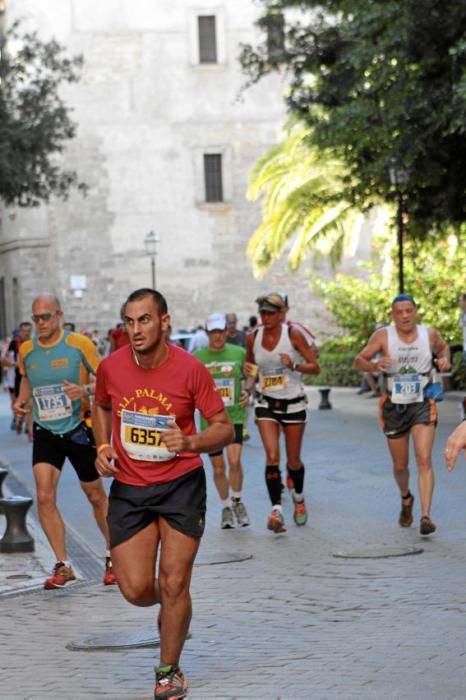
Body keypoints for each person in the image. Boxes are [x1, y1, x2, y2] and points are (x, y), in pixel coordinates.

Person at [92, 288, 233, 700]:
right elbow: (101, 406)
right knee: (136, 590)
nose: (136, 329)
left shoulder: (190, 369)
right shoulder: (112, 367)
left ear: (164, 321)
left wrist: (190, 442)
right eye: (129, 321)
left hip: (180, 486)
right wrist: (102, 447)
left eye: (145, 320)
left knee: (173, 581)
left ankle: (168, 671)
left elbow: (223, 427)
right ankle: (175, 605)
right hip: (131, 488)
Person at [13, 293, 116, 588]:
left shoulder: (79, 345)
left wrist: (84, 389)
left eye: (46, 317)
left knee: (95, 495)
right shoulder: (27, 350)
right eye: (36, 318)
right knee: (44, 496)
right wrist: (21, 403)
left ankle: (112, 557)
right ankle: (63, 565)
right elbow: (26, 380)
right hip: (46, 431)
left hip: (78, 429)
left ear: (59, 315)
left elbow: (107, 379)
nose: (41, 323)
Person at [354, 293, 451, 536]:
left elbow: (443, 348)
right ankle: (406, 498)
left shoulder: (428, 334)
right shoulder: (383, 336)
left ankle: (426, 516)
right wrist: (374, 365)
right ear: (393, 314)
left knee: (424, 459)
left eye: (409, 310)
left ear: (415, 311)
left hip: (422, 402)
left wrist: (445, 360)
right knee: (400, 465)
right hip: (394, 406)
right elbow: (359, 361)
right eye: (400, 312)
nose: (405, 316)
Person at [244, 292, 320, 533]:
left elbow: (315, 367)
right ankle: (276, 510)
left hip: (293, 402)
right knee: (272, 457)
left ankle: (298, 497)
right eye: (262, 313)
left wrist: (294, 365)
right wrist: (247, 387)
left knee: (293, 461)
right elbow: (251, 369)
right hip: (266, 401)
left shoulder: (293, 335)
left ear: (280, 315)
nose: (265, 318)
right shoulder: (253, 337)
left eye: (269, 313)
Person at [194, 312, 250, 529]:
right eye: (214, 332)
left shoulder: (239, 353)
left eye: (221, 331)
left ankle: (237, 501)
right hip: (211, 421)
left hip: (234, 415)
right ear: (208, 333)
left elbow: (250, 377)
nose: (218, 336)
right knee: (218, 467)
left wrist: (247, 392)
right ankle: (225, 507)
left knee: (235, 461)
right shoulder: (197, 358)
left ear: (227, 331)